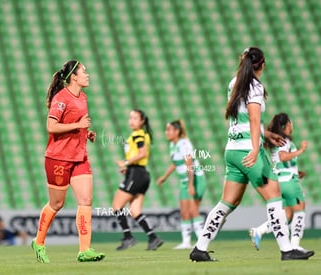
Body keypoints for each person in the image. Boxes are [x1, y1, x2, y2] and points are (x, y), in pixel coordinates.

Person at [189, 47, 314, 261]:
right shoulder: (255, 86)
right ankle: (287, 249)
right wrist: (257, 148)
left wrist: (268, 135)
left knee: (227, 202)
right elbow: (254, 119)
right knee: (274, 196)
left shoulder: (234, 82)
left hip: (233, 150)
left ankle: (199, 248)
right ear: (262, 64)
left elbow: (244, 120)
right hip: (248, 151)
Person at [31, 60, 105, 263]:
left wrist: (85, 132)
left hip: (79, 156)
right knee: (57, 204)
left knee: (86, 201)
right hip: (58, 158)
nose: (87, 75)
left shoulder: (83, 97)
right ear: (74, 76)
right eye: (84, 71)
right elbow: (51, 126)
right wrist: (78, 125)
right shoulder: (61, 98)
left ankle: (84, 250)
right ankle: (38, 242)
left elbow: (75, 125)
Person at [249, 113, 313, 253]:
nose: (292, 126)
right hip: (289, 182)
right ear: (288, 124)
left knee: (287, 216)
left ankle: (259, 230)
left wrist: (297, 171)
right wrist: (301, 150)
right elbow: (282, 157)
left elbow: (280, 161)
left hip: (280, 181)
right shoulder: (285, 140)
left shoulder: (276, 141)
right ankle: (295, 245)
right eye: (291, 123)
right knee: (300, 210)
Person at [112, 109, 164, 251]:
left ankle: (128, 237)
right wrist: (127, 167)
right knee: (135, 210)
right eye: (130, 118)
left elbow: (142, 153)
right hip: (141, 174)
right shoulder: (141, 135)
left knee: (117, 206)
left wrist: (126, 163)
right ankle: (153, 238)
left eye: (135, 118)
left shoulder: (137, 135)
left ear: (142, 121)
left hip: (136, 173)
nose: (131, 121)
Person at [157, 120, 206, 249]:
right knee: (184, 212)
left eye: (169, 130)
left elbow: (189, 164)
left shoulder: (184, 144)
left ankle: (202, 242)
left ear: (177, 132)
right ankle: (186, 242)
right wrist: (164, 177)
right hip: (184, 182)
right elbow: (175, 163)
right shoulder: (173, 145)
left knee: (193, 211)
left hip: (195, 179)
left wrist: (191, 185)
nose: (166, 132)